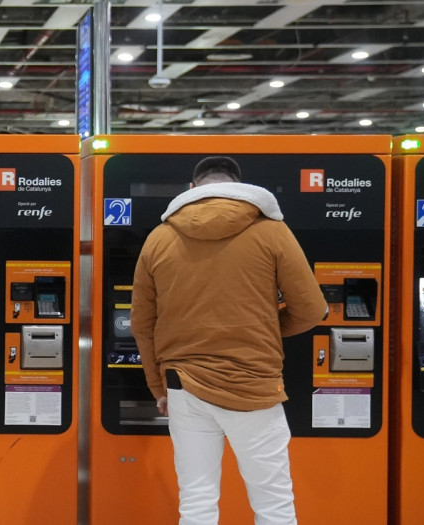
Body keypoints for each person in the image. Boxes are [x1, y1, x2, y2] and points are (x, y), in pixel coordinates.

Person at [130, 156, 327, 525]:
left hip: (182, 385)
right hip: (253, 384)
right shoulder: (271, 230)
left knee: (197, 501)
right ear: (239, 187)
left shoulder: (159, 238)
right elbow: (313, 309)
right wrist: (260, 327)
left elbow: (142, 323)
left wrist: (158, 386)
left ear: (191, 190)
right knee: (273, 502)